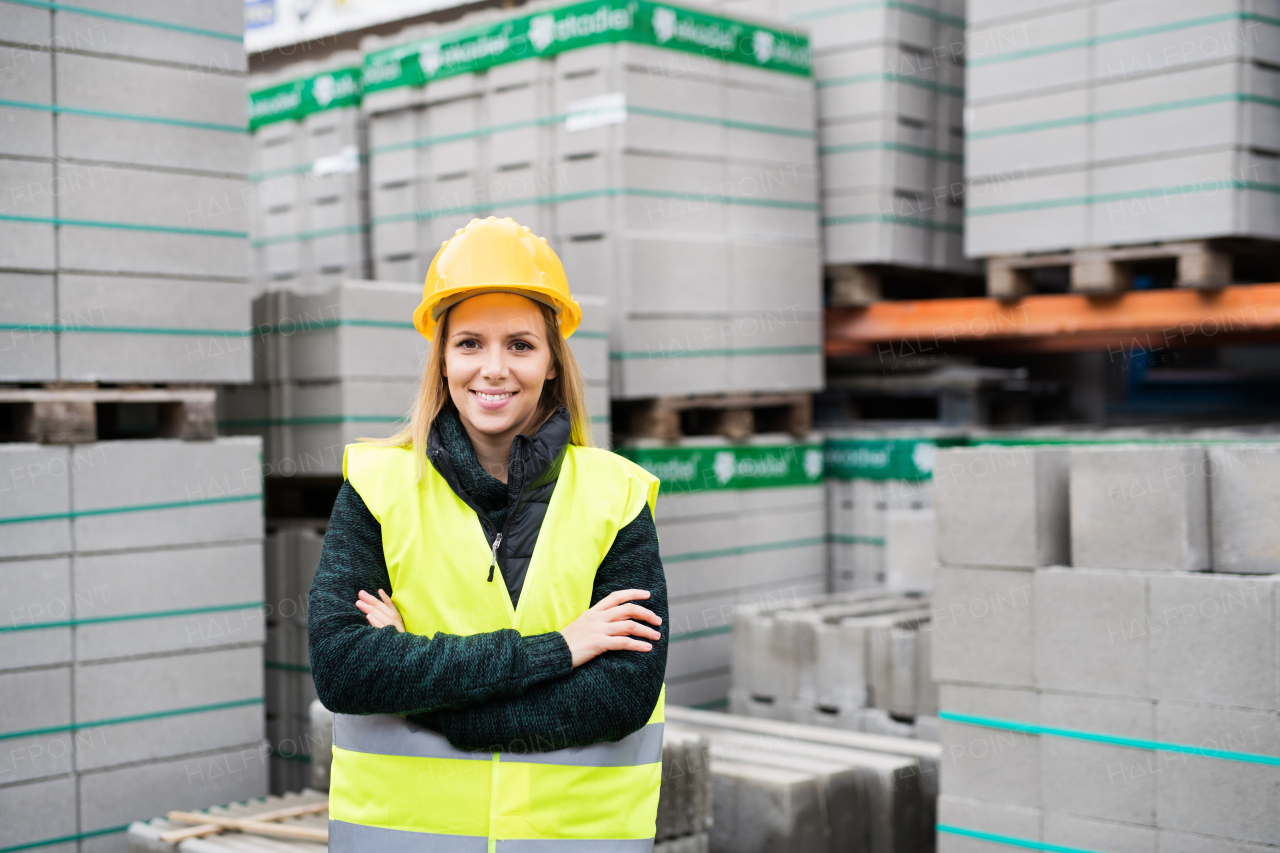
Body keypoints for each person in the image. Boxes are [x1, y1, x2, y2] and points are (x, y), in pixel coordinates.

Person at [307, 216, 669, 851]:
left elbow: (621, 694)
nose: (493, 369)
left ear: (553, 362)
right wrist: (558, 650)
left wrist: (418, 684)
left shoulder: (618, 495)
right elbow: (345, 670)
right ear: (442, 358)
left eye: (521, 345)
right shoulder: (377, 487)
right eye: (470, 343)